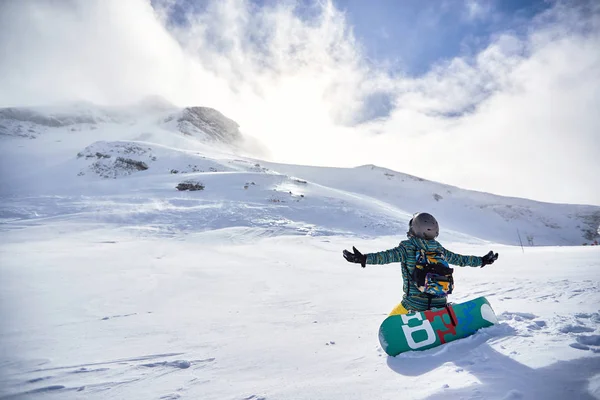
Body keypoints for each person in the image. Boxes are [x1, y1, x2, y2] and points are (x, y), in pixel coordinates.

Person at [343, 212, 498, 316]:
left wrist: (363, 259)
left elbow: (386, 256)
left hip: (413, 304)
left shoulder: (407, 247)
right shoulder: (439, 249)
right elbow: (461, 259)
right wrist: (482, 260)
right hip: (440, 302)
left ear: (414, 228)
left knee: (390, 322)